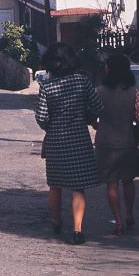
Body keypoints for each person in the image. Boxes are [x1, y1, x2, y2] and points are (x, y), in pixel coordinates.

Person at [35, 42, 102, 245]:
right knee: (77, 187)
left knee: (55, 185)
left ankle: (56, 222)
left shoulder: (47, 86)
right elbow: (98, 106)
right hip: (79, 140)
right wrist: (85, 115)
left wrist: (52, 126)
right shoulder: (83, 81)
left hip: (55, 141)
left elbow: (41, 117)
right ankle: (77, 230)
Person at [94, 51, 139, 235]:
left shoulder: (99, 92)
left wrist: (96, 124)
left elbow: (91, 113)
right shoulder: (133, 93)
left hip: (105, 143)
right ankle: (129, 214)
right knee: (128, 181)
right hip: (127, 142)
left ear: (110, 70)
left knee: (112, 183)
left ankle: (119, 222)